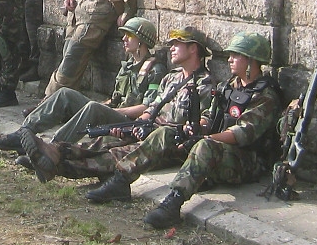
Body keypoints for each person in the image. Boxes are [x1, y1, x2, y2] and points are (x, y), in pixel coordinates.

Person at [19, 27, 218, 202]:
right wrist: (135, 127)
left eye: (177, 44)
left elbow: (202, 123)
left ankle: (56, 162)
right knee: (105, 141)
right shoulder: (171, 79)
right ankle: (53, 153)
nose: (171, 48)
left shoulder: (205, 84)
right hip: (148, 131)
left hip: (169, 142)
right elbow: (151, 109)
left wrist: (175, 131)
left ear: (193, 49)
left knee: (114, 155)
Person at [144, 31, 283, 228]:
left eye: (236, 55)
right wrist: (194, 128)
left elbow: (242, 133)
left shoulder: (265, 96)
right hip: (219, 150)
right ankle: (122, 176)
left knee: (205, 146)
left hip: (248, 161)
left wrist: (206, 138)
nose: (230, 59)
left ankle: (173, 202)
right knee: (169, 133)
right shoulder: (229, 86)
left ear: (251, 61)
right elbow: (210, 115)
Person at [0, 16, 166, 150]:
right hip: (115, 112)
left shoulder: (155, 70)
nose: (124, 39)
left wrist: (113, 111)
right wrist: (106, 106)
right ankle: (24, 133)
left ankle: (54, 147)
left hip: (130, 122)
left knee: (93, 107)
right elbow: (115, 98)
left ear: (141, 40)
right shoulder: (127, 66)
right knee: (64, 93)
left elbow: (147, 107)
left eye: (129, 35)